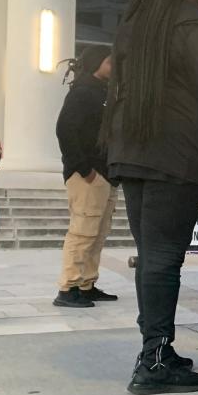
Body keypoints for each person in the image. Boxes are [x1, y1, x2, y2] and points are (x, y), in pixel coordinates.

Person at [105, 0, 198, 395]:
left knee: (153, 258)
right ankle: (154, 359)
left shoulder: (136, 26)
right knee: (163, 259)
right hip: (175, 156)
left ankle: (155, 348)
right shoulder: (197, 27)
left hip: (133, 154)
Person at [53, 45, 119, 308]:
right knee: (82, 232)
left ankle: (86, 283)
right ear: (96, 63)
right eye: (110, 62)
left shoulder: (104, 92)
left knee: (97, 233)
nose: (115, 67)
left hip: (106, 174)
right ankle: (68, 289)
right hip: (89, 175)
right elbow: (65, 131)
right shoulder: (82, 92)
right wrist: (84, 169)